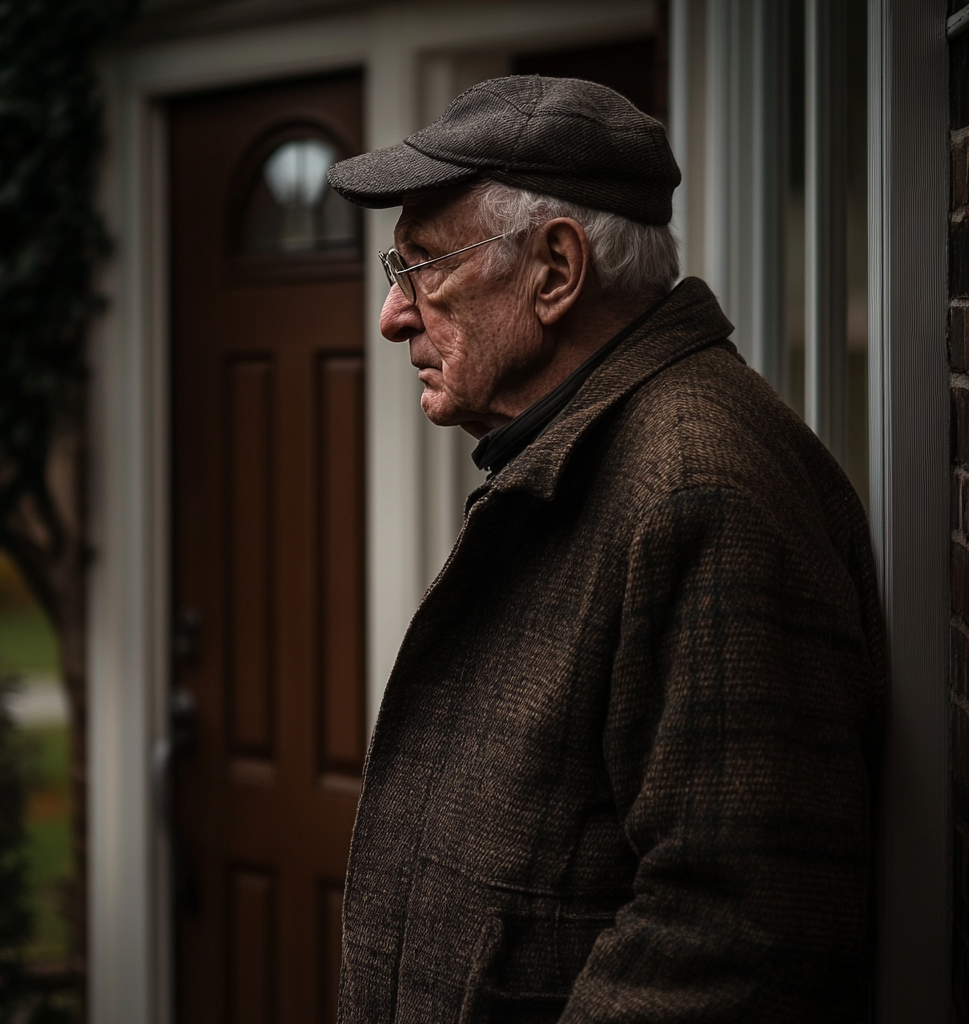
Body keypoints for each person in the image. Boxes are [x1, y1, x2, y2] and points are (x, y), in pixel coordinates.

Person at [326, 75, 884, 1024]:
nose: (394, 315)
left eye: (425, 264)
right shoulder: (599, 455)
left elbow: (734, 939)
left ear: (555, 269)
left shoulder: (698, 486)